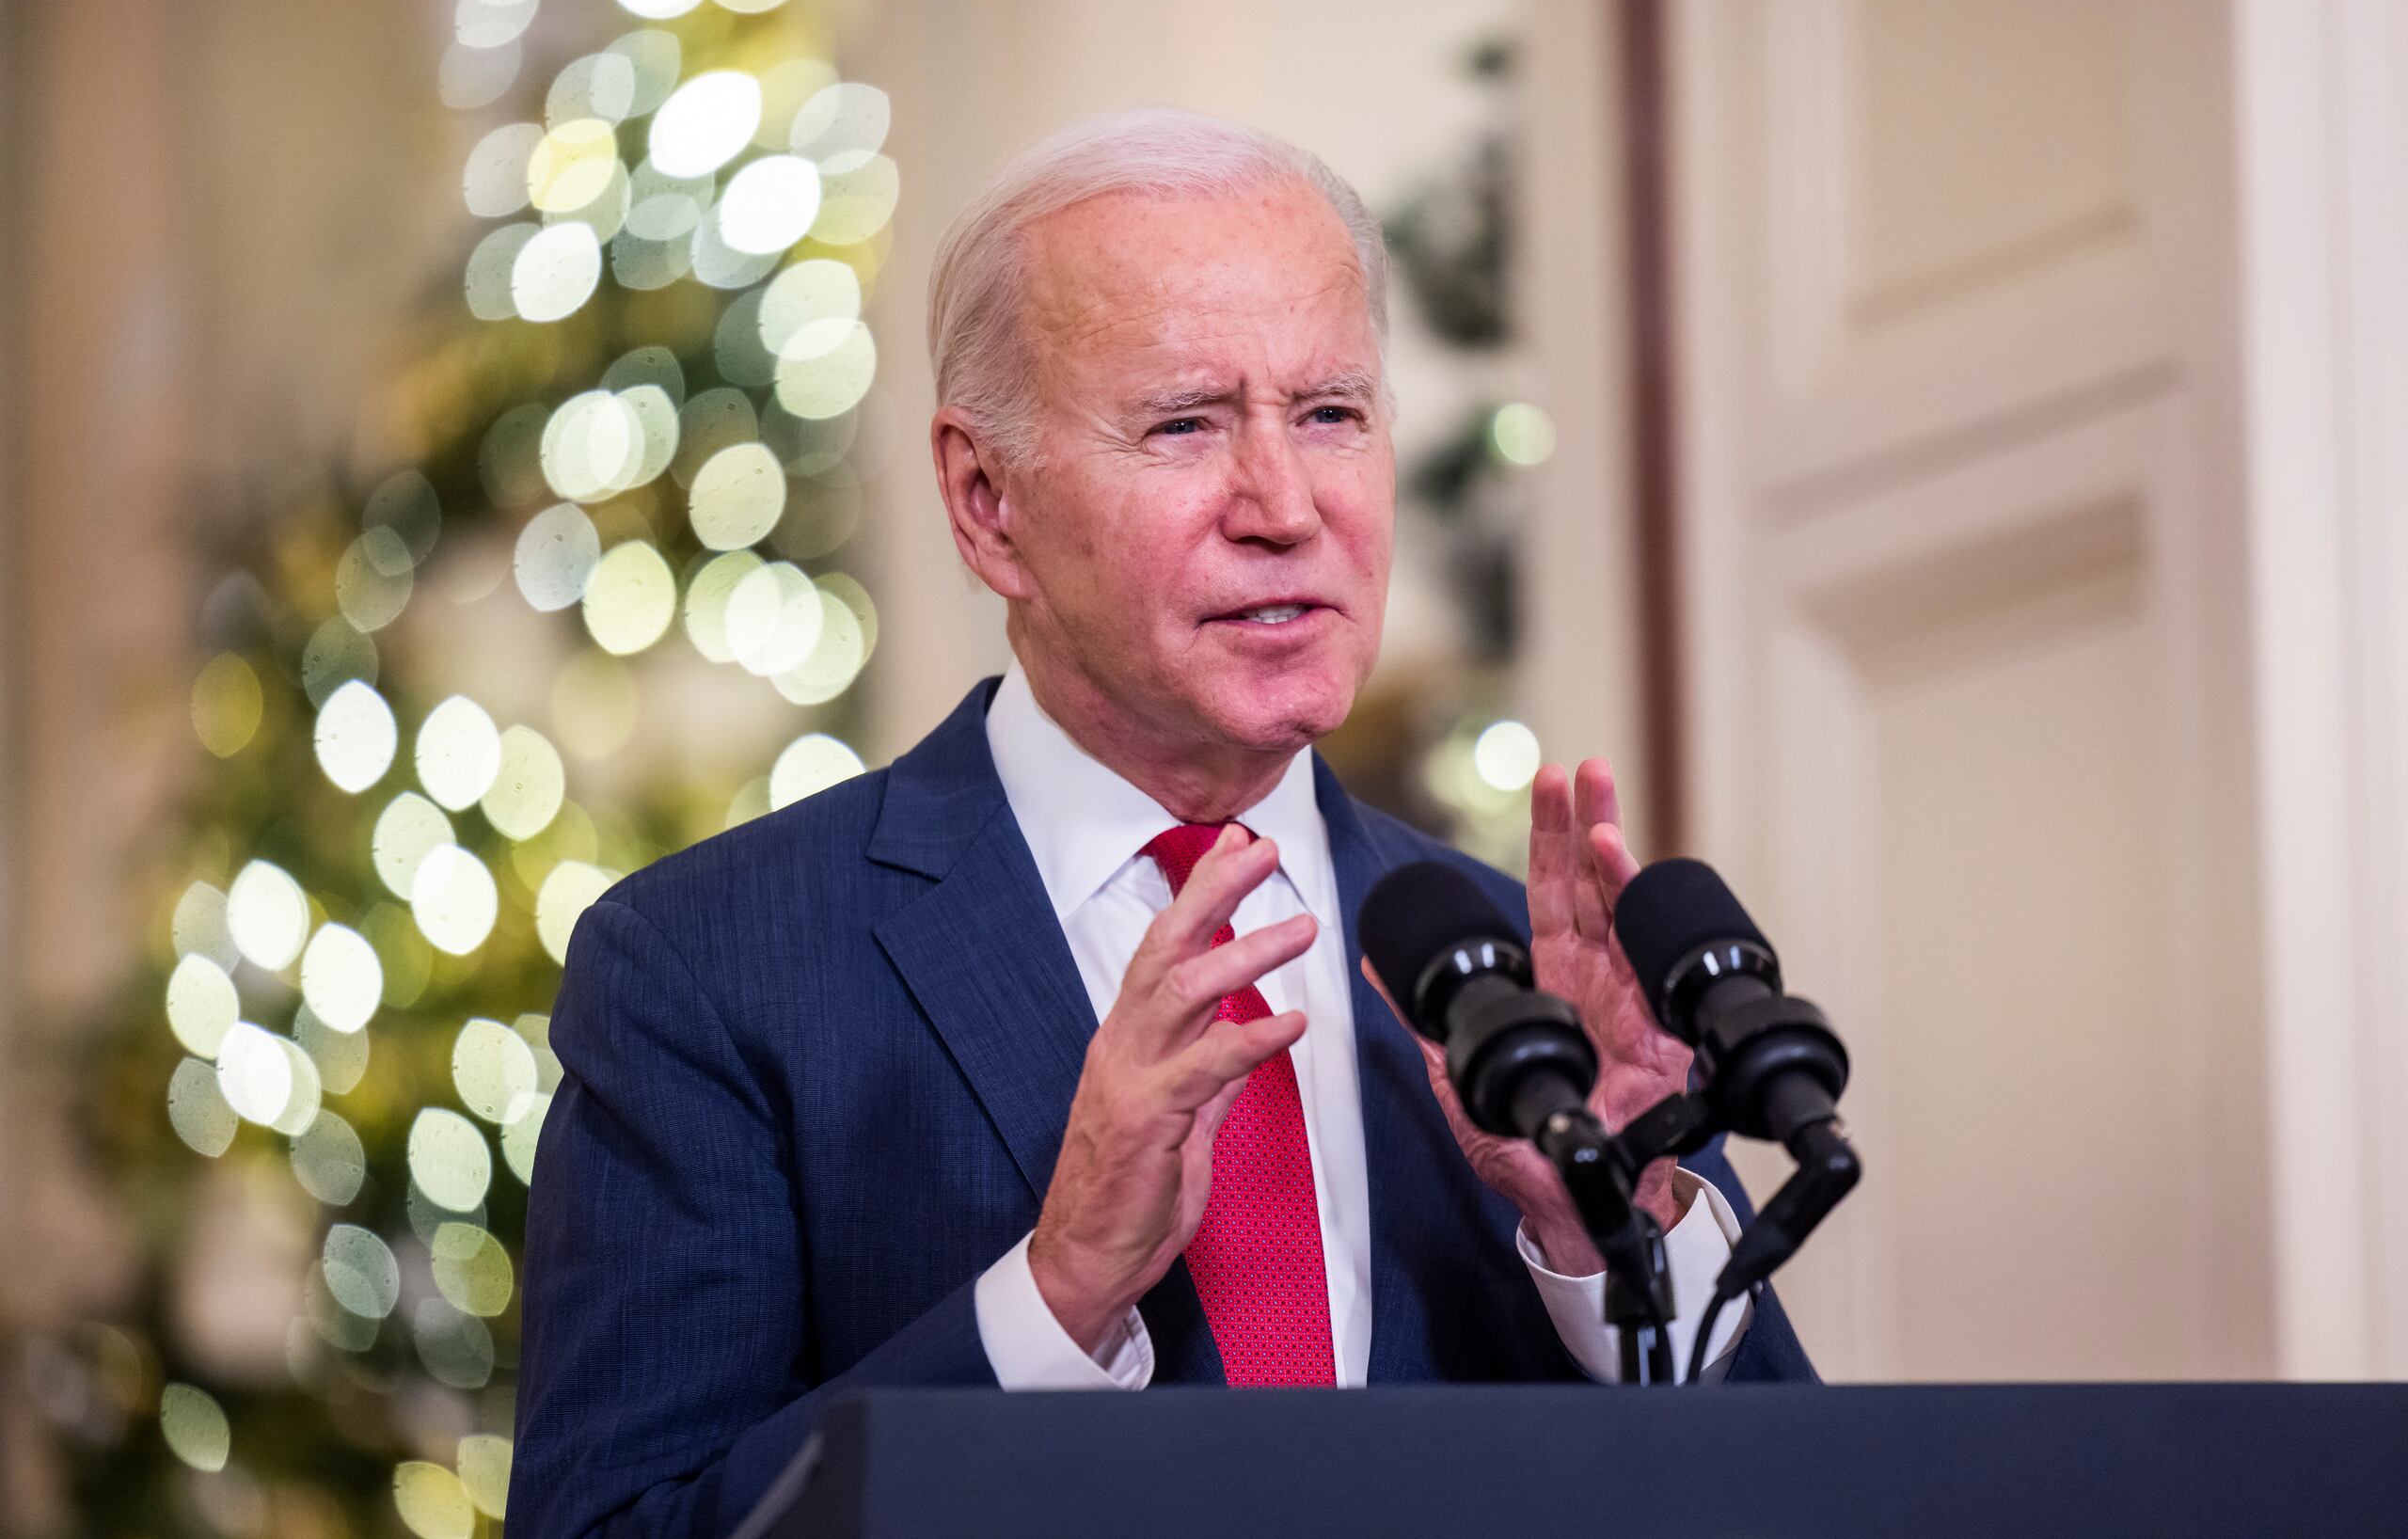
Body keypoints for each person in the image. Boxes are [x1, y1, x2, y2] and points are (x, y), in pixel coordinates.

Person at [511, 108, 1813, 1539]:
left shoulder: (1510, 983)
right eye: (1186, 424)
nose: (1284, 506)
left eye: (1330, 415)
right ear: (987, 500)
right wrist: (1055, 1293)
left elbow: (1798, 1508)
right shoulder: (715, 967)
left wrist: (1603, 1234)